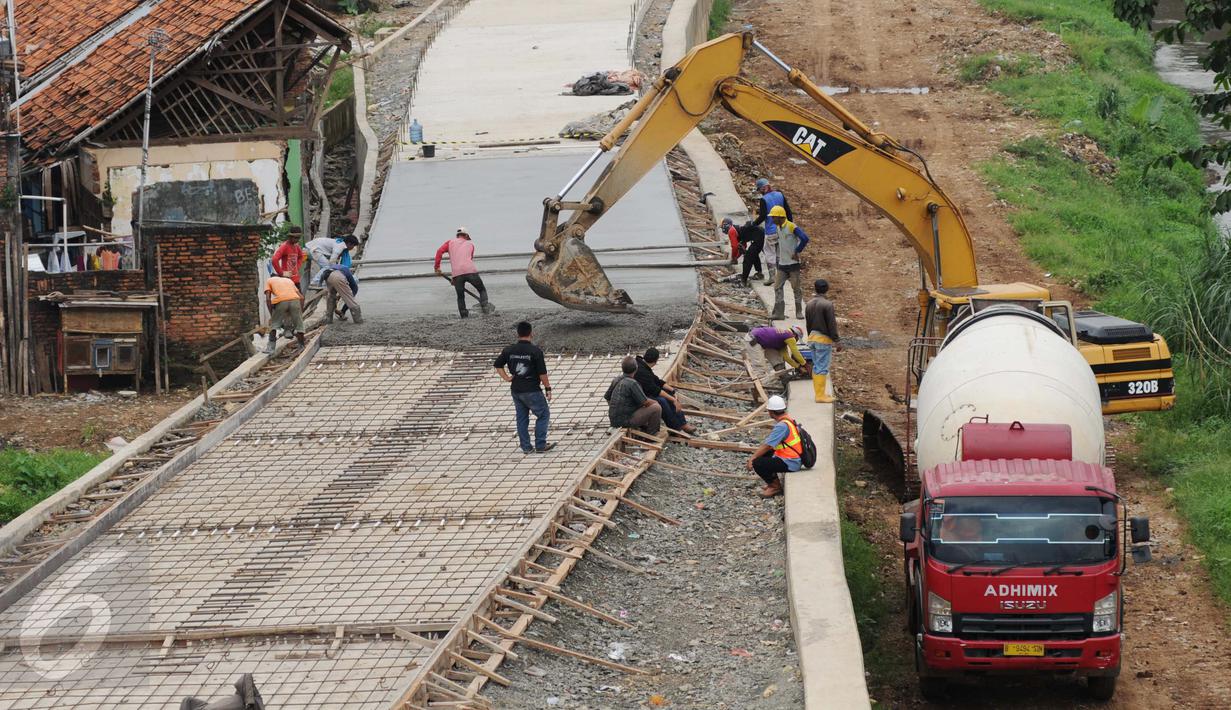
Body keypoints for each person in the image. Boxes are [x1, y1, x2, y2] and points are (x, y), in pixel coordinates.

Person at [494, 321, 554, 453]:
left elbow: (498, 365)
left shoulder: (509, 350)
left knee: (522, 418)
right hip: (532, 389)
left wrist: (507, 378)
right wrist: (548, 388)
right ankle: (540, 445)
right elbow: (542, 373)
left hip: (516, 390)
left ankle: (526, 447)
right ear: (531, 333)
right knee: (543, 415)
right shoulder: (535, 351)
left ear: (518, 334)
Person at [746, 395, 802, 497]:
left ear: (771, 412)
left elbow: (768, 445)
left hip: (791, 463)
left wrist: (752, 458)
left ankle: (775, 487)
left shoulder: (781, 426)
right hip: (794, 458)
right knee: (764, 455)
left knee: (758, 462)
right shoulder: (788, 420)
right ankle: (772, 483)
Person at [633, 348, 696, 434]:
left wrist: (672, 390)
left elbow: (657, 381)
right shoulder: (641, 371)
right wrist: (673, 400)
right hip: (640, 396)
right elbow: (655, 390)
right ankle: (675, 429)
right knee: (662, 401)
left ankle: (683, 424)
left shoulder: (644, 366)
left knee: (669, 394)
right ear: (656, 361)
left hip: (647, 390)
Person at [435, 227, 492, 318]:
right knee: (481, 290)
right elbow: (468, 260)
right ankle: (485, 307)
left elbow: (439, 251)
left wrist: (437, 267)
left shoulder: (449, 243)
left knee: (460, 296)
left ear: (457, 235)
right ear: (466, 235)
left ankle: (464, 316)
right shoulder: (471, 245)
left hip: (457, 274)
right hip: (470, 271)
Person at [768, 205, 810, 320]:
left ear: (780, 217)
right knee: (777, 287)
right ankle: (779, 313)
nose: (772, 219)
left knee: (796, 288)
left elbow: (805, 238)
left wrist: (797, 251)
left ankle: (799, 311)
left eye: (774, 217)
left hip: (793, 264)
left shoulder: (791, 227)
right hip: (782, 264)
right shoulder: (778, 228)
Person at [804, 278, 841, 403]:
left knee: (816, 366)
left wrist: (810, 336)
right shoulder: (827, 304)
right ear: (827, 289)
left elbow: (808, 324)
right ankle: (820, 396)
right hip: (823, 340)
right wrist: (836, 340)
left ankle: (819, 394)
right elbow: (831, 324)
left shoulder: (809, 304)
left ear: (815, 288)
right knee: (822, 368)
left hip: (812, 338)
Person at [605, 356, 662, 434]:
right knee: (656, 408)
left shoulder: (616, 380)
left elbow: (607, 398)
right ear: (636, 368)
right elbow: (645, 402)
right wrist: (655, 402)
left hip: (614, 420)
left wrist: (617, 410)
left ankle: (642, 426)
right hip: (625, 421)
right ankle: (652, 434)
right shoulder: (632, 383)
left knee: (641, 406)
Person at [752, 178, 792, 286]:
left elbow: (763, 216)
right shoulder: (780, 195)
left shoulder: (764, 199)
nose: (760, 192)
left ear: (763, 188)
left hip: (771, 231)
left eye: (760, 189)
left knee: (770, 254)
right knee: (780, 254)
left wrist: (753, 224)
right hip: (782, 229)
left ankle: (772, 277)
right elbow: (788, 211)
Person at [263, 274, 305, 353]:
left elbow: (268, 299)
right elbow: (302, 297)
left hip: (281, 301)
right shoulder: (289, 280)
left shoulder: (269, 280)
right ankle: (301, 346)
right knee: (299, 325)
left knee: (274, 324)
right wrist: (300, 312)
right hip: (295, 300)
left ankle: (270, 348)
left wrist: (272, 314)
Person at [736, 221, 764, 286]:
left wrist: (737, 256)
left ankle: (744, 280)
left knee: (748, 258)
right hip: (760, 235)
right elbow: (743, 246)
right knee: (753, 254)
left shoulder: (741, 232)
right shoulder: (741, 231)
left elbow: (740, 247)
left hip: (760, 237)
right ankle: (759, 273)